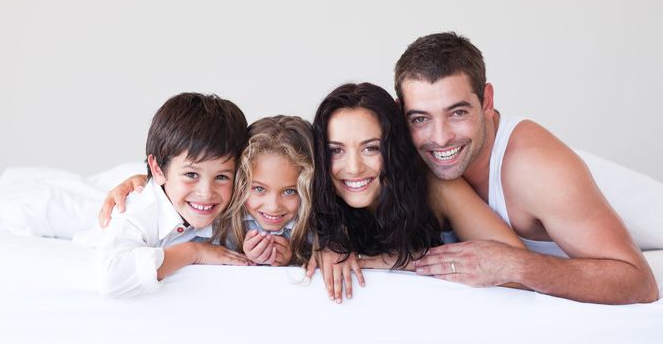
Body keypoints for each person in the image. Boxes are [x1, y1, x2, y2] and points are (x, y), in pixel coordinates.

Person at [395, 32, 658, 304]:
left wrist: (515, 265)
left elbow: (640, 283)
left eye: (458, 113)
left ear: (486, 101)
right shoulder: (402, 155)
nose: (440, 137)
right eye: (420, 119)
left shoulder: (535, 170)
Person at [305, 82, 525, 303]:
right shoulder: (310, 190)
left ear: (393, 149)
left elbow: (519, 269)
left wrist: (385, 261)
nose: (353, 168)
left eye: (371, 148)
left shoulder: (437, 187)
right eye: (336, 150)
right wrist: (325, 245)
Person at [85, 92, 251, 298]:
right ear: (157, 169)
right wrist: (194, 252)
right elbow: (111, 279)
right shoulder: (137, 211)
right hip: (98, 210)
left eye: (222, 177)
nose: (206, 193)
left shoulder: (237, 200)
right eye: (192, 174)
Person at [213, 115, 315, 266]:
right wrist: (243, 257)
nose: (273, 206)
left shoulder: (318, 232)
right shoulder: (222, 226)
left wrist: (293, 259)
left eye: (289, 191)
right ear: (241, 183)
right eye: (259, 188)